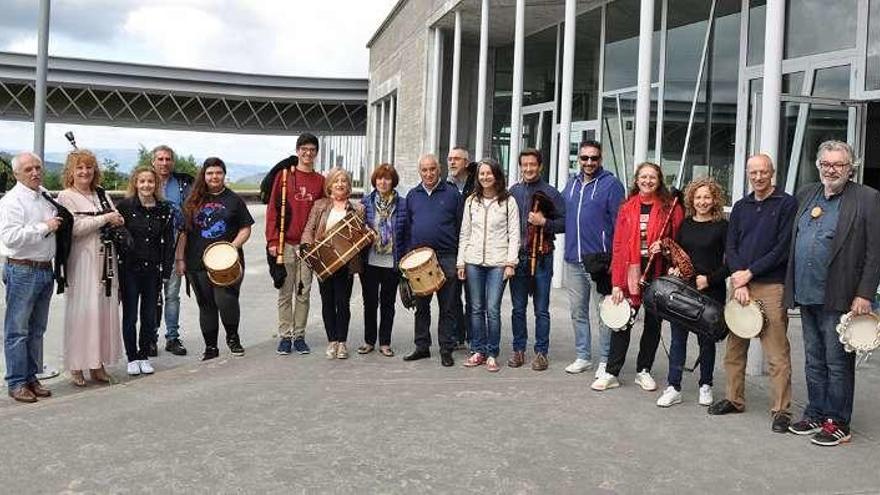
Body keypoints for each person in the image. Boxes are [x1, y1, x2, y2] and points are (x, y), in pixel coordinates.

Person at [783, 141, 880, 446]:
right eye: (826, 163)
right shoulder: (806, 193)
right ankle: (816, 412)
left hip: (840, 295)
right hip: (807, 292)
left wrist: (865, 293)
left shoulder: (867, 198)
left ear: (850, 167)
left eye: (838, 164)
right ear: (818, 165)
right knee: (813, 358)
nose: (831, 169)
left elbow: (875, 251)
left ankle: (838, 421)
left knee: (837, 362)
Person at [707, 153, 797, 434]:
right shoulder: (741, 207)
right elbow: (730, 246)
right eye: (753, 172)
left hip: (771, 285)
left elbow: (782, 249)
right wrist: (740, 280)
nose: (758, 177)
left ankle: (781, 410)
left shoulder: (786, 204)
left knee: (776, 352)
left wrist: (751, 273)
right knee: (735, 347)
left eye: (763, 172)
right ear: (747, 174)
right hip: (741, 285)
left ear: (773, 173)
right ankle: (734, 399)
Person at [591, 162, 683, 392]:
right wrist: (617, 283)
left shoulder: (669, 207)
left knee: (653, 323)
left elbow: (679, 241)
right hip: (631, 270)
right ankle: (612, 372)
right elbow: (619, 245)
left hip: (657, 270)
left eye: (652, 177)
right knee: (622, 322)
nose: (648, 181)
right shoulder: (627, 207)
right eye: (643, 177)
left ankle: (644, 370)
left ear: (659, 180)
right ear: (637, 180)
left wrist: (664, 246)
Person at [655, 177, 728, 408]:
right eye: (698, 197)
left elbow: (731, 261)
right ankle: (673, 386)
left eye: (707, 197)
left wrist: (710, 279)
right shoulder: (685, 224)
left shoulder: (723, 226)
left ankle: (706, 385)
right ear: (691, 199)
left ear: (714, 199)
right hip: (684, 290)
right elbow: (678, 254)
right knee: (678, 340)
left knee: (706, 342)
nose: (702, 201)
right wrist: (674, 266)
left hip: (710, 291)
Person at [57, 149, 124, 386]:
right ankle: (76, 365)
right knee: (82, 312)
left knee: (102, 311)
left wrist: (116, 219)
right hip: (82, 259)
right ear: (71, 172)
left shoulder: (101, 193)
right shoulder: (65, 197)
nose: (85, 172)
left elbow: (115, 215)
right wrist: (105, 219)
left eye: (89, 167)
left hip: (105, 258)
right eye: (80, 168)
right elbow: (73, 229)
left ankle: (97, 363)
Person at [177, 158, 254, 361]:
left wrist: (231, 248)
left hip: (227, 262)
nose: (214, 177)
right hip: (197, 260)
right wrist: (180, 259)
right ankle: (210, 347)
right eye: (210, 173)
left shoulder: (234, 200)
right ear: (204, 175)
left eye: (218, 173)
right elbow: (184, 232)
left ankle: (233, 338)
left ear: (224, 175)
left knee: (226, 300)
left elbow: (245, 228)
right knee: (206, 304)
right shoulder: (193, 200)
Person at [0, 152, 62, 402]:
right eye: (28, 169)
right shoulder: (12, 201)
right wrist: (45, 227)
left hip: (45, 269)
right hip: (23, 269)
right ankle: (16, 382)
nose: (35, 172)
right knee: (17, 330)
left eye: (38, 167)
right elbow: (10, 237)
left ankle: (31, 376)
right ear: (16, 174)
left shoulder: (44, 195)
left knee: (37, 329)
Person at [561, 140, 624, 377]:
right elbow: (561, 216)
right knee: (578, 311)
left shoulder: (611, 185)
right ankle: (583, 356)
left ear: (601, 159)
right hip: (573, 259)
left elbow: (620, 225)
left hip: (599, 261)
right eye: (584, 158)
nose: (589, 162)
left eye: (594, 158)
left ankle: (606, 361)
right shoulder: (571, 184)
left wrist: (616, 260)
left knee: (604, 313)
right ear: (579, 159)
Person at [457, 158, 520, 372]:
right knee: (475, 308)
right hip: (473, 261)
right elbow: (465, 233)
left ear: (497, 176)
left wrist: (511, 263)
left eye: (489, 173)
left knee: (492, 309)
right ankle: (478, 350)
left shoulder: (508, 201)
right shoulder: (471, 201)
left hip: (498, 263)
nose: (485, 177)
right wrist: (461, 262)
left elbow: (514, 234)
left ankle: (492, 352)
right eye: (482, 174)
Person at [266, 133, 325, 356]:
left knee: (304, 292)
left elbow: (323, 213)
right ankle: (285, 335)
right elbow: (273, 210)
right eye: (304, 149)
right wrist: (272, 240)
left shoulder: (320, 181)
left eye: (312, 149)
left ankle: (299, 335)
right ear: (297, 150)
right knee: (285, 291)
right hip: (286, 244)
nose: (308, 153)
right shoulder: (284, 177)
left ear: (316, 153)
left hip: (308, 246)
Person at [508, 148, 565, 371]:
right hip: (519, 257)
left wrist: (545, 223)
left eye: (533, 164)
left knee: (541, 309)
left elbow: (564, 222)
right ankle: (518, 349)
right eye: (525, 165)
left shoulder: (551, 193)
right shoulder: (513, 192)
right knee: (518, 308)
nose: (529, 169)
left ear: (540, 166)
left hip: (542, 257)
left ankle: (541, 352)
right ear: (521, 166)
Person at [403, 154, 463, 367]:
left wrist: (459, 259)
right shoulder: (412, 195)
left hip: (446, 257)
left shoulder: (453, 194)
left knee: (447, 307)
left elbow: (461, 227)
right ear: (420, 172)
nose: (428, 174)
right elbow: (408, 228)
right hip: (419, 259)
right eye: (424, 170)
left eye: (432, 169)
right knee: (421, 306)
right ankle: (422, 347)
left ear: (439, 170)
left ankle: (446, 349)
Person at [116, 167, 175, 376]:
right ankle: (131, 357)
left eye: (150, 181)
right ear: (135, 183)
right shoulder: (124, 207)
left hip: (153, 270)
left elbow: (169, 243)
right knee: (130, 315)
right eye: (142, 181)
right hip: (130, 269)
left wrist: (166, 271)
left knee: (149, 316)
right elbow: (117, 238)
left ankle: (143, 355)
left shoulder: (164, 209)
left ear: (156, 184)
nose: (146, 185)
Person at [301, 168, 365, 359]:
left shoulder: (357, 208)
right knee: (327, 302)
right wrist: (306, 246)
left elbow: (359, 234)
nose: (340, 184)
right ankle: (332, 341)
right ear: (329, 185)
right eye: (336, 181)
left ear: (348, 185)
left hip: (346, 264)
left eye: (344, 181)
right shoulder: (320, 205)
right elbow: (308, 230)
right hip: (324, 263)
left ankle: (342, 342)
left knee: (343, 303)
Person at [359, 164, 407, 357]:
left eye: (387, 178)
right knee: (369, 303)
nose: (383, 182)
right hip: (370, 261)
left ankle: (385, 342)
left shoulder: (403, 204)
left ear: (393, 181)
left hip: (392, 262)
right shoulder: (366, 203)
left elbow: (407, 231)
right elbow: (358, 229)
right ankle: (369, 341)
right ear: (374, 181)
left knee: (388, 304)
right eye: (379, 178)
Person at [151, 145, 192, 357]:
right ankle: (150, 337)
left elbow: (186, 220)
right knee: (151, 294)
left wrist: (181, 257)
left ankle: (172, 337)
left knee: (172, 295)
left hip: (176, 241)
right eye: (160, 159)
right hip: (151, 243)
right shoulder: (146, 181)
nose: (164, 163)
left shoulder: (183, 184)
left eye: (168, 159)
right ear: (153, 161)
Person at [447, 146, 477, 350]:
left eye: (457, 159)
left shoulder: (477, 185)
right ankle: (458, 335)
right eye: (449, 159)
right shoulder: (447, 186)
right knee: (453, 294)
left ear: (466, 163)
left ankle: (474, 337)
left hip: (474, 247)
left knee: (473, 296)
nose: (452, 162)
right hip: (453, 248)